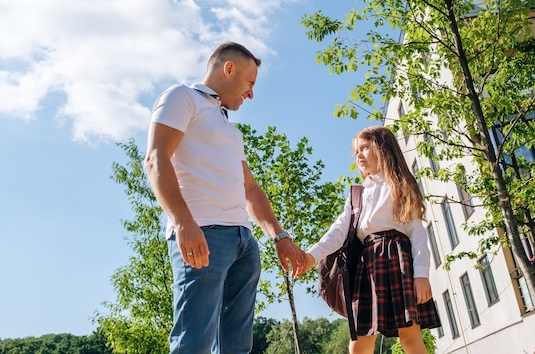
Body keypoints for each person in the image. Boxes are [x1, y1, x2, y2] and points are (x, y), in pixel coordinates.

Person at [144, 41, 307, 354]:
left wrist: (279, 236)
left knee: (236, 346)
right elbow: (155, 157)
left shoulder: (229, 128)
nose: (251, 93)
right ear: (228, 68)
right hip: (203, 234)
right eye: (250, 83)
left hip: (243, 243)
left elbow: (250, 189)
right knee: (194, 342)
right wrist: (183, 223)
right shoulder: (182, 97)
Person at [298, 125, 440, 354]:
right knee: (359, 342)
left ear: (383, 148)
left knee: (410, 336)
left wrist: (421, 275)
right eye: (356, 151)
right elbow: (338, 231)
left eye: (365, 147)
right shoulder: (358, 194)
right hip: (368, 268)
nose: (359, 154)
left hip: (399, 263)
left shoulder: (401, 186)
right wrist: (311, 256)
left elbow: (417, 232)